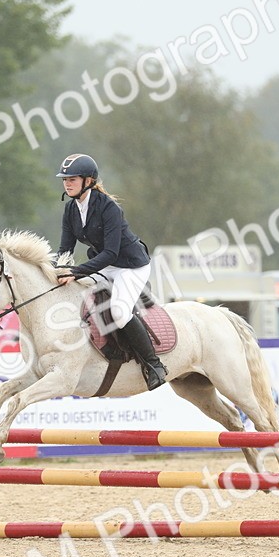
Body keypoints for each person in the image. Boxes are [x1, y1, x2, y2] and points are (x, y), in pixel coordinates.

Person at [53, 153, 168, 390]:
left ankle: (154, 365)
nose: (67, 183)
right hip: (104, 264)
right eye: (65, 179)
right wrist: (57, 271)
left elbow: (112, 253)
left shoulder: (109, 208)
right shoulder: (70, 210)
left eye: (73, 178)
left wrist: (76, 272)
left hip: (131, 266)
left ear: (88, 181)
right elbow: (65, 250)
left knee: (119, 311)